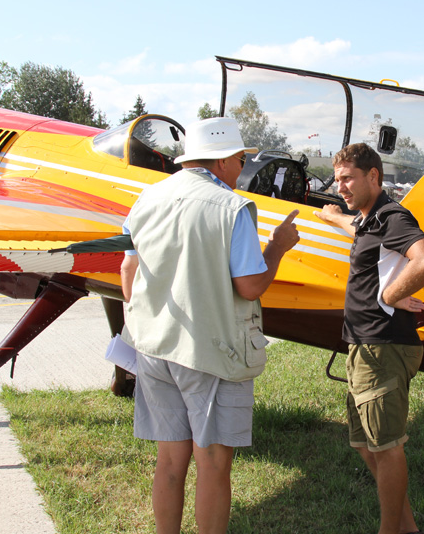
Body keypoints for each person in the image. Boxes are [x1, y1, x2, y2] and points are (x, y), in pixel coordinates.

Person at [119, 117, 300, 534]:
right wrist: (277, 247)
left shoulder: (147, 197)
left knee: (169, 461)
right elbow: (250, 286)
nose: (242, 168)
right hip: (212, 352)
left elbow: (128, 271)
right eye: (240, 159)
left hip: (154, 348)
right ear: (221, 161)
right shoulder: (232, 208)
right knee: (214, 464)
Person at [314, 143, 424, 534]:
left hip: (383, 346)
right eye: (337, 180)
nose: (341, 187)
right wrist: (334, 216)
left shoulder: (392, 216)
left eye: (348, 178)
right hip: (364, 346)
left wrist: (390, 295)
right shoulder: (371, 219)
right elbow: (361, 229)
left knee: (386, 447)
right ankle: (407, 528)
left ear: (373, 176)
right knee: (365, 443)